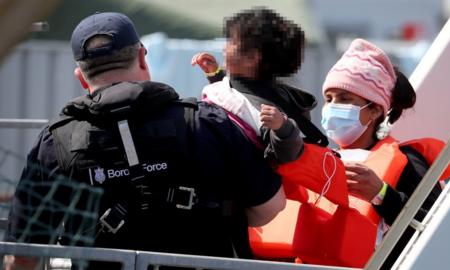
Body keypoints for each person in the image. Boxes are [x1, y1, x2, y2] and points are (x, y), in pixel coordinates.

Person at [5, 12, 286, 270]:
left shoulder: (55, 142)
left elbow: (23, 255)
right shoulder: (207, 121)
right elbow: (270, 208)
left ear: (81, 78)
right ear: (142, 58)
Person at [320, 38, 450, 268]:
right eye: (329, 99)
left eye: (345, 99)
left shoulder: (408, 161)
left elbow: (438, 226)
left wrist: (382, 194)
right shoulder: (324, 160)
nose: (332, 106)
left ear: (375, 110)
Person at [192, 7, 328, 166]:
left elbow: (289, 155)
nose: (224, 47)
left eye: (231, 42)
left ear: (252, 58)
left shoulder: (265, 108)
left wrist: (282, 129)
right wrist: (215, 75)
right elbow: (234, 99)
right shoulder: (273, 94)